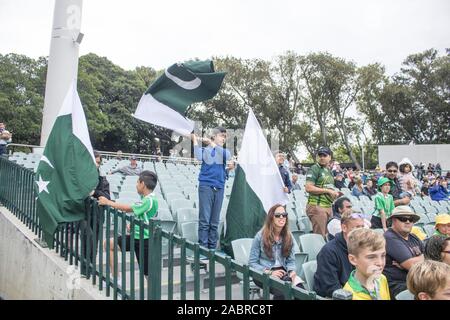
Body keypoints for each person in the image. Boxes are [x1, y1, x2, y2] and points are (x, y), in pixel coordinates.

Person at [99, 171, 159, 279]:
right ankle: (116, 278)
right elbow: (142, 215)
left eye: (137, 182)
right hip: (134, 237)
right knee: (108, 244)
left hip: (145, 240)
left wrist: (108, 202)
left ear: (143, 184)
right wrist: (132, 224)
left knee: (148, 275)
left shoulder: (149, 200)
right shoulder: (145, 199)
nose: (136, 185)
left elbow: (128, 209)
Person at [248, 204, 304, 300]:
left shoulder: (288, 235)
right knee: (282, 293)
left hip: (283, 273)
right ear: (271, 218)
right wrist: (269, 272)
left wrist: (291, 271)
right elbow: (252, 263)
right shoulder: (260, 236)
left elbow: (291, 261)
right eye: (278, 215)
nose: (282, 217)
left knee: (301, 294)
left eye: (284, 214)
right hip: (263, 273)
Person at [191, 127, 231, 250]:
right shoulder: (206, 150)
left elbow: (227, 156)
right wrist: (195, 141)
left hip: (219, 187)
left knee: (214, 222)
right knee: (204, 221)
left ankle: (212, 249)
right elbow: (198, 157)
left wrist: (227, 171)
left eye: (225, 136)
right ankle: (203, 250)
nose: (223, 138)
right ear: (214, 136)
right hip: (206, 187)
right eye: (221, 135)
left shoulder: (223, 151)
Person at [314, 211, 365, 298]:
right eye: (357, 227)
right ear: (344, 228)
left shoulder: (362, 247)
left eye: (362, 227)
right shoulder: (328, 252)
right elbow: (332, 288)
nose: (361, 232)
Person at [79, 151, 111, 276]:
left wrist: (95, 192)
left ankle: (89, 270)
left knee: (95, 243)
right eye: (95, 162)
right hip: (82, 214)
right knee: (89, 237)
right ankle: (84, 267)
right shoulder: (80, 176)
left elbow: (107, 196)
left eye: (99, 163)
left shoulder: (102, 179)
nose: (97, 165)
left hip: (97, 215)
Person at [383, 206, 424, 298]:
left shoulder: (413, 237)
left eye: (411, 219)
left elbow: (428, 258)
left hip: (415, 281)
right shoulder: (389, 237)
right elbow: (414, 267)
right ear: (393, 220)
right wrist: (420, 258)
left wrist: (410, 262)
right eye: (403, 218)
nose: (408, 221)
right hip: (397, 285)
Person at [343, 228, 390, 300]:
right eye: (371, 257)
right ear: (353, 259)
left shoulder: (382, 279)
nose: (380, 263)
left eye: (383, 255)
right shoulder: (349, 296)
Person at [305, 146, 340, 237]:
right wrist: (328, 191)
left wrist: (333, 193)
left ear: (330, 157)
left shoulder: (329, 171)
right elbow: (308, 188)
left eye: (325, 155)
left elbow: (327, 188)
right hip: (317, 207)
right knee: (320, 237)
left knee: (327, 237)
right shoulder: (314, 168)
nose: (322, 157)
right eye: (320, 155)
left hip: (328, 207)